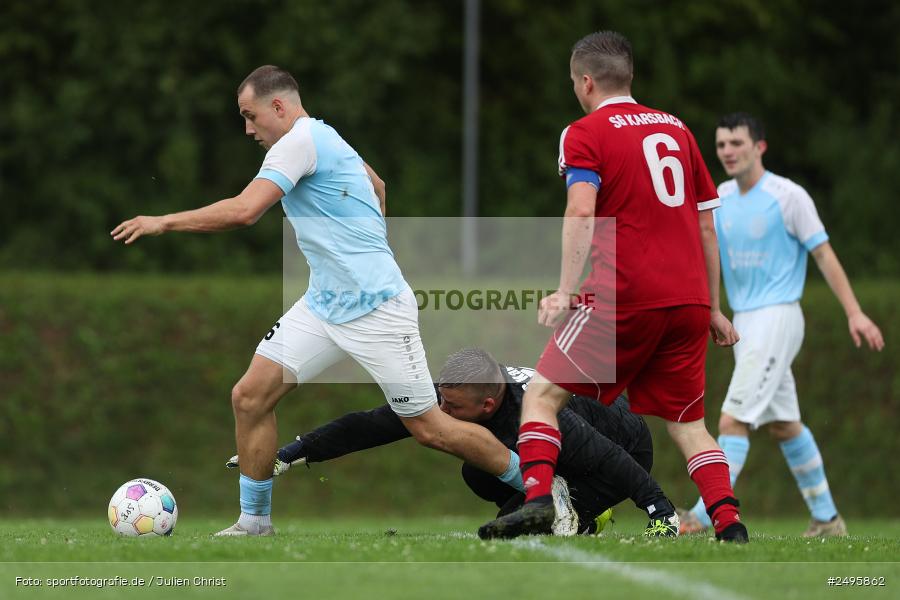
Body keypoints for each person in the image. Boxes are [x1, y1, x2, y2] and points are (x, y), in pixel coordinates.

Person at [111, 65, 521, 536]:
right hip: (324, 306)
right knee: (249, 396)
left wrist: (163, 221)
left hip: (377, 309)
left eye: (250, 116)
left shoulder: (299, 143)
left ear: (278, 107)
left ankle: (540, 488)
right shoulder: (325, 136)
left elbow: (246, 211)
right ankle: (254, 522)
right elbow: (378, 185)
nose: (248, 129)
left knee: (430, 429)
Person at [478, 31, 748, 543]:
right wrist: (713, 307)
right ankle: (730, 524)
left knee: (540, 395)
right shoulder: (677, 129)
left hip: (624, 295)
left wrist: (563, 290)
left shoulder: (584, 131)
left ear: (585, 81)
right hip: (689, 300)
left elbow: (582, 208)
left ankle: (538, 502)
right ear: (629, 76)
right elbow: (708, 225)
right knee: (689, 423)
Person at [678, 113, 884, 537]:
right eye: (721, 146)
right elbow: (703, 250)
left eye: (736, 143)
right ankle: (827, 519)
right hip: (744, 322)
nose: (728, 152)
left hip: (778, 316)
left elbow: (823, 254)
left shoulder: (788, 196)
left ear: (760, 147)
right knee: (783, 425)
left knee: (732, 420)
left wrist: (854, 311)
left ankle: (700, 516)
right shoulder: (719, 197)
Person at [227, 347, 681, 536]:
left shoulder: (540, 412)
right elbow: (374, 424)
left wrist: (661, 513)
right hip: (565, 457)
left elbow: (613, 456)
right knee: (476, 473)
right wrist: (294, 451)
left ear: (488, 406)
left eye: (451, 407)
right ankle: (575, 507)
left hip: (621, 450)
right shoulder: (460, 392)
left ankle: (585, 512)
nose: (440, 412)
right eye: (439, 398)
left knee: (517, 530)